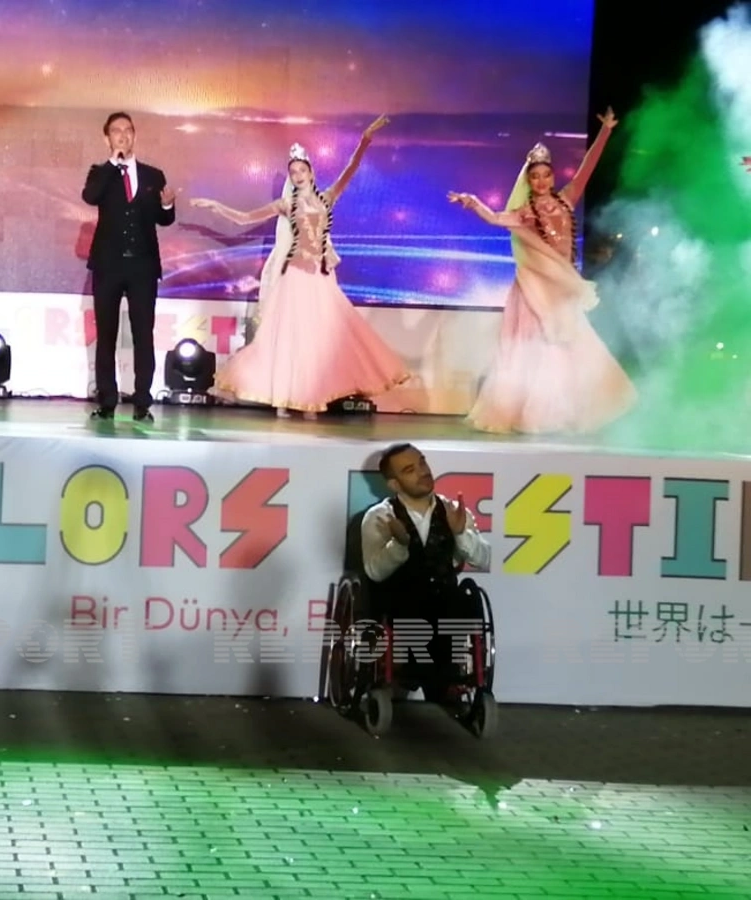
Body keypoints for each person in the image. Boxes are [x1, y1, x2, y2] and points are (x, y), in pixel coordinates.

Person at [189, 118, 409, 419]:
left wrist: (365, 139)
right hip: (294, 276)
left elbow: (350, 169)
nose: (298, 176)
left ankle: (311, 397)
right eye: (293, 173)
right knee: (288, 337)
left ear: (311, 173)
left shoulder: (327, 198)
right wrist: (217, 206)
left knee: (321, 339)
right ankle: (283, 398)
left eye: (302, 171)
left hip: (319, 278)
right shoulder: (285, 205)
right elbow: (244, 218)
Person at [447, 107, 636, 433]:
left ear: (553, 176)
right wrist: (472, 201)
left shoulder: (567, 199)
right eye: (534, 177)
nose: (541, 181)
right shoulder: (526, 212)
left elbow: (588, 167)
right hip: (535, 288)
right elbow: (496, 218)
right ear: (528, 180)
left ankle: (569, 409)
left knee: (571, 346)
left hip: (560, 286)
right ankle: (531, 412)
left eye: (545, 175)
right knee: (537, 347)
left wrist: (605, 130)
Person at [361, 443, 491, 699]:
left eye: (422, 462)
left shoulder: (454, 510)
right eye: (410, 470)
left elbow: (483, 559)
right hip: (399, 599)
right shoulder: (379, 517)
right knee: (408, 602)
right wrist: (399, 545)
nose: (422, 471)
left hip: (444, 598)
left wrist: (460, 533)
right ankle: (412, 674)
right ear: (395, 484)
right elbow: (374, 572)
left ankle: (445, 678)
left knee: (460, 603)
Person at [82, 111, 177, 422]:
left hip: (143, 267)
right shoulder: (100, 172)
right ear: (107, 138)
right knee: (106, 335)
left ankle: (142, 403)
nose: (122, 135)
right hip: (108, 265)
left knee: (143, 335)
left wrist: (167, 204)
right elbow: (90, 196)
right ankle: (107, 401)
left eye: (127, 130)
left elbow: (163, 219)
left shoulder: (153, 175)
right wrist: (114, 163)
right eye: (116, 131)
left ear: (135, 135)